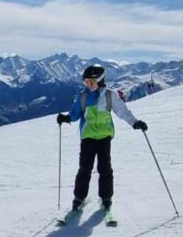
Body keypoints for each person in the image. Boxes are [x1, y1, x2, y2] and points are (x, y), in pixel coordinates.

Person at [57, 64, 147, 212]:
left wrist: (135, 123)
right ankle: (79, 196)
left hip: (104, 137)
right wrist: (66, 118)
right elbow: (75, 113)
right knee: (84, 168)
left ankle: (106, 197)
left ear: (100, 80)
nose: (89, 85)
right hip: (88, 137)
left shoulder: (110, 95)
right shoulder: (83, 96)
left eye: (91, 82)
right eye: (86, 82)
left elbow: (122, 111)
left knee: (104, 168)